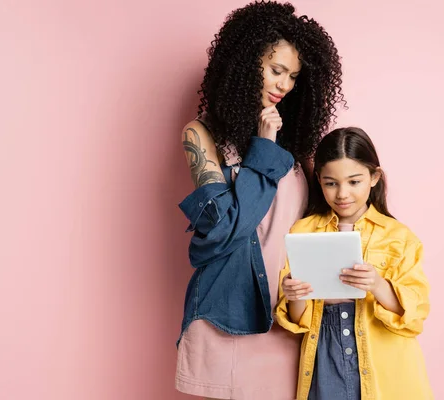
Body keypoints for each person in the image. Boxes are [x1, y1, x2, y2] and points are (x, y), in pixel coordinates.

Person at [176, 1, 344, 399]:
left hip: (289, 317)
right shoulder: (203, 135)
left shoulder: (299, 146)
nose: (284, 85)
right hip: (229, 318)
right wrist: (263, 146)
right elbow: (221, 231)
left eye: (293, 77)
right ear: (245, 63)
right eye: (276, 70)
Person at [277, 127, 432, 400]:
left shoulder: (399, 237)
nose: (342, 194)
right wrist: (294, 295)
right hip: (325, 357)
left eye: (354, 181)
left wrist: (377, 285)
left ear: (374, 177)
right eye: (331, 183)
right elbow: (296, 320)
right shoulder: (303, 231)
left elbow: (415, 315)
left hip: (385, 365)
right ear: (319, 181)